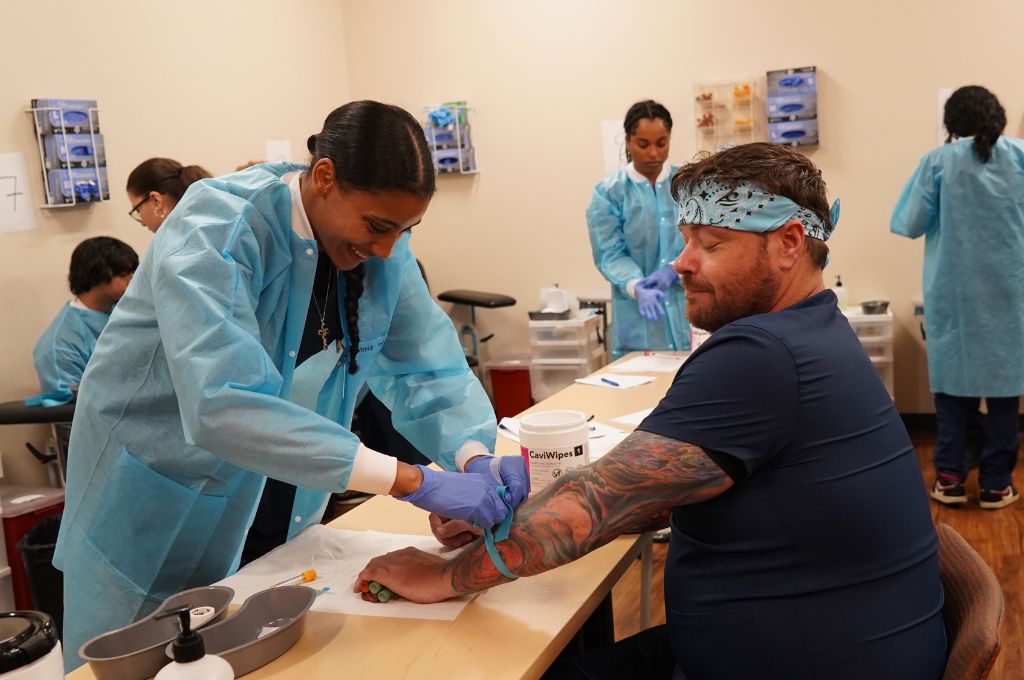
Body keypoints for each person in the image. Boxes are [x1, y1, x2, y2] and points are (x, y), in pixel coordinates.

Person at [358, 143, 947, 680]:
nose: (682, 263)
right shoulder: (815, 331)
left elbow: (596, 506)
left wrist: (441, 575)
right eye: (686, 239)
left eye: (711, 244)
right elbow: (637, 486)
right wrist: (514, 512)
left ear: (790, 243)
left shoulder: (760, 355)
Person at [54, 100, 528, 669]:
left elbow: (428, 369)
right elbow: (223, 402)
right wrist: (410, 481)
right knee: (144, 662)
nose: (385, 249)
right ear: (324, 177)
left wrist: (473, 454)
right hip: (157, 499)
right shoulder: (217, 226)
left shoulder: (380, 252)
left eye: (403, 231)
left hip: (277, 485)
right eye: (377, 227)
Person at [892, 85, 1024, 510]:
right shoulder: (1020, 156)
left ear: (951, 123)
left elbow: (909, 223)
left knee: (951, 393)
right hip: (1011, 297)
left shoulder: (938, 162)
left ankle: (949, 480)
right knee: (1006, 396)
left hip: (954, 300)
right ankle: (996, 485)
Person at [586, 100, 689, 358]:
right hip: (636, 317)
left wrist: (674, 269)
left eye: (661, 143)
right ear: (628, 141)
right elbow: (610, 253)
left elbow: (704, 239)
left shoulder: (688, 185)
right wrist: (635, 285)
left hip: (688, 310)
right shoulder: (609, 193)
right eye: (643, 144)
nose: (653, 153)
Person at [27, 236, 138, 407]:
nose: (133, 280)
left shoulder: (130, 312)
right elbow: (72, 411)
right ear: (98, 274)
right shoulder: (61, 344)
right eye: (124, 274)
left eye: (133, 273)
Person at [126, 157, 213, 232]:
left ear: (156, 200)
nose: (142, 223)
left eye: (138, 210)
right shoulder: (212, 227)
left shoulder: (178, 247)